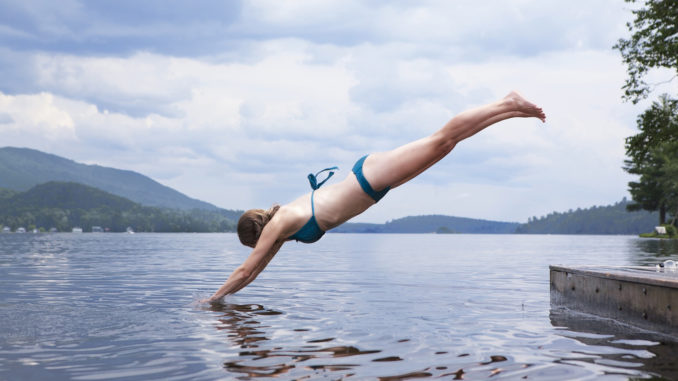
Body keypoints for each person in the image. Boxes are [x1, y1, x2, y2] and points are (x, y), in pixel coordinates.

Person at [203, 91, 545, 303]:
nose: (260, 250)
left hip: (369, 177)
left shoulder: (280, 222)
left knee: (441, 139)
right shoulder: (280, 228)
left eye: (256, 245)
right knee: (447, 146)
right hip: (374, 185)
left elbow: (245, 270)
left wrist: (210, 300)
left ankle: (507, 103)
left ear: (258, 234)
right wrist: (224, 301)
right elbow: (256, 269)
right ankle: (510, 110)